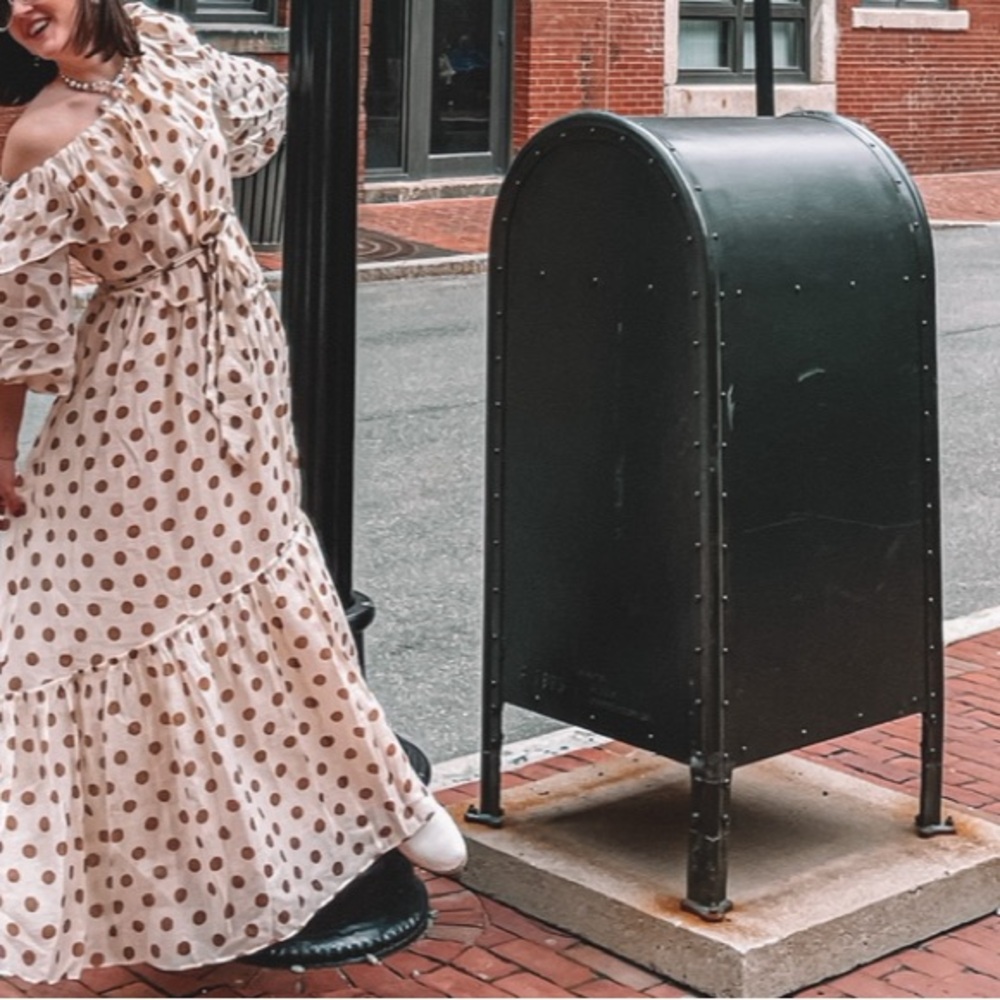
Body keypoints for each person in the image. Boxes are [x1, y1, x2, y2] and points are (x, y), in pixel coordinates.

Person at [0, 0, 466, 984]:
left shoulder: (165, 48)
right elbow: (16, 316)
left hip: (238, 353)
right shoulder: (41, 130)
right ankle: (155, 865)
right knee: (48, 609)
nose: (20, 11)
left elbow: (258, 116)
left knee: (263, 572)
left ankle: (384, 799)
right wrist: (0, 453)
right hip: (137, 377)